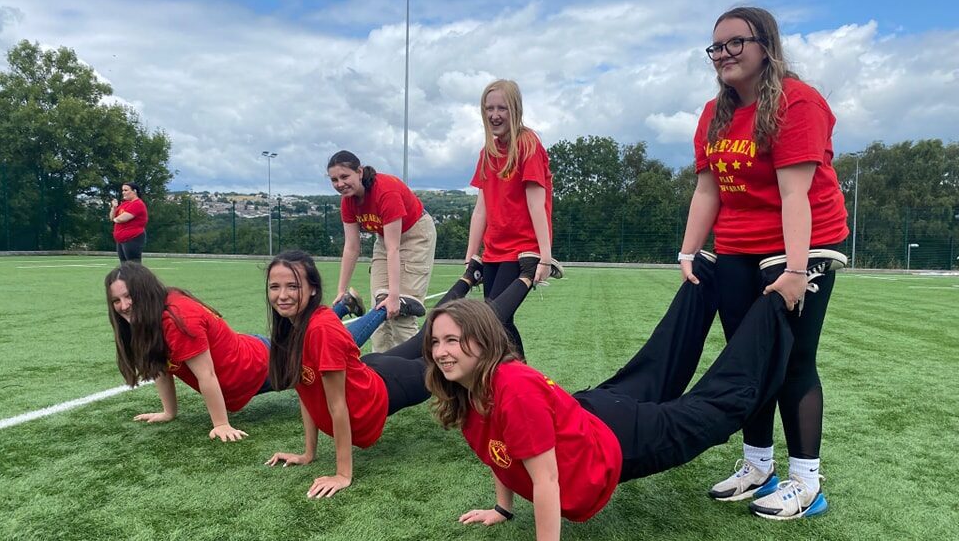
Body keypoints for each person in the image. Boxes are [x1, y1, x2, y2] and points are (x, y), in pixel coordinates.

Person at [424, 250, 845, 537]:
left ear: (482, 341)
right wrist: (502, 509)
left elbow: (547, 480)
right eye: (436, 342)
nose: (442, 352)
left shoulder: (511, 389)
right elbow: (499, 451)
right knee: (658, 362)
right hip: (588, 412)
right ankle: (706, 274)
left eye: (453, 340)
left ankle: (788, 290)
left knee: (717, 407)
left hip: (617, 438)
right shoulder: (465, 392)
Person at [678, 6, 849, 520]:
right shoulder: (715, 112)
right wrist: (689, 251)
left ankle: (806, 483)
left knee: (794, 361)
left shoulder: (799, 103)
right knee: (747, 359)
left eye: (736, 43)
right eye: (716, 47)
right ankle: (758, 466)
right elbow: (708, 188)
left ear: (765, 45)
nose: (724, 55)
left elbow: (794, 194)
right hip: (737, 245)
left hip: (802, 245)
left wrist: (796, 272)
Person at [263, 249, 536, 498]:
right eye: (275, 287)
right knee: (428, 333)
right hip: (369, 371)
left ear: (312, 289)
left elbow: (337, 406)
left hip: (388, 386)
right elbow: (307, 392)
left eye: (293, 286)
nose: (282, 295)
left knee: (468, 331)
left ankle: (526, 276)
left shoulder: (321, 330)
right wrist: (308, 453)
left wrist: (343, 474)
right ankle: (470, 275)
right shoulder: (288, 328)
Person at [105, 262, 269, 441]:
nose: (124, 305)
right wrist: (169, 412)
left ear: (145, 291)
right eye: (116, 300)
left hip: (260, 362)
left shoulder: (177, 319)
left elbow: (207, 375)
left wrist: (221, 424)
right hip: (249, 354)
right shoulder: (149, 315)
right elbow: (159, 362)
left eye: (129, 296)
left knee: (302, 364)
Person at [465, 79, 560, 358]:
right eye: (489, 108)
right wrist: (472, 253)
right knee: (495, 323)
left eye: (502, 108)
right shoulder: (488, 152)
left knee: (497, 321)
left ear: (515, 109)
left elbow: (537, 203)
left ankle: (523, 385)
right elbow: (481, 209)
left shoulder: (528, 145)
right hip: (493, 250)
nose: (494, 115)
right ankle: (507, 384)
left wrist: (545, 256)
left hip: (521, 251)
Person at [327, 150, 437, 353]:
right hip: (384, 238)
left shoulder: (386, 191)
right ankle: (381, 369)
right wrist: (341, 291)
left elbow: (394, 248)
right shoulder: (348, 202)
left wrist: (395, 295)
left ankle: (410, 370)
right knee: (379, 308)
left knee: (400, 313)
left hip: (415, 235)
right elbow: (351, 247)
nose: (340, 184)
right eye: (334, 179)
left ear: (359, 172)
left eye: (344, 176)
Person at [109, 182, 148, 263]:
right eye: (123, 190)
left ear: (134, 191)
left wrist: (115, 219)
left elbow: (122, 219)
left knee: (133, 263)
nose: (123, 192)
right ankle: (125, 276)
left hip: (132, 237)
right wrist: (114, 208)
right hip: (121, 238)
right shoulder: (125, 204)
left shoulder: (138, 204)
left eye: (126, 190)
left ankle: (137, 276)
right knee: (124, 264)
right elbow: (112, 217)